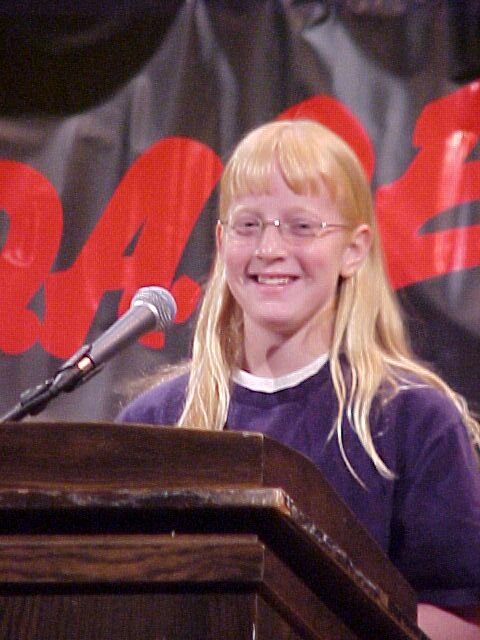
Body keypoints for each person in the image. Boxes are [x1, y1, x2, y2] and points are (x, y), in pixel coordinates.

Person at [118, 119, 480, 639]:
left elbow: (457, 616)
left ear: (354, 249)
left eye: (302, 226)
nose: (269, 248)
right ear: (221, 241)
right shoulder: (156, 423)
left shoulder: (413, 420)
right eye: (248, 225)